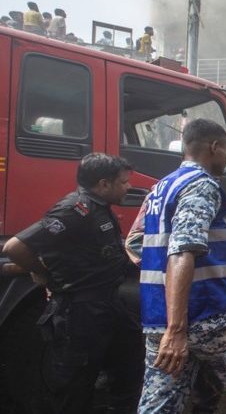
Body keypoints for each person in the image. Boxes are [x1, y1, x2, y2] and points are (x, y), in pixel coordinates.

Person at [136, 119, 226, 412]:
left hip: (159, 319)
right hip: (211, 317)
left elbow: (180, 251)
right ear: (214, 147)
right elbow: (182, 251)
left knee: (159, 406)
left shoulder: (160, 189)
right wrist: (177, 329)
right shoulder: (202, 185)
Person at [3, 153, 144, 412]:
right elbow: (15, 247)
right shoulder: (74, 210)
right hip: (80, 313)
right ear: (103, 184)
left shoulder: (99, 208)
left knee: (129, 364)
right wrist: (43, 272)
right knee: (74, 387)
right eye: (124, 182)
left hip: (107, 305)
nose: (129, 187)